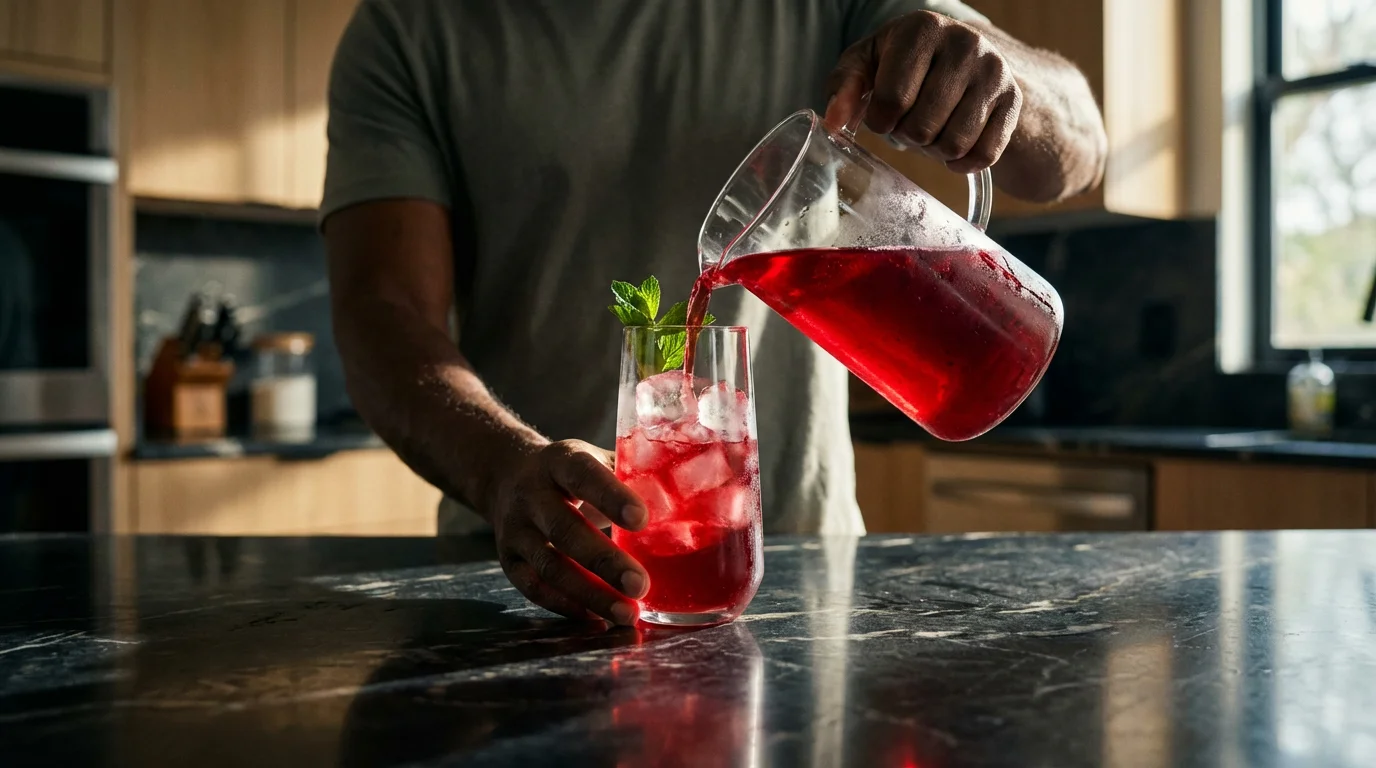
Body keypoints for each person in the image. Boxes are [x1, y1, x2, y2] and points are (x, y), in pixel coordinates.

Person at [321, 0, 1107, 626]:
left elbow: (1080, 147)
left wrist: (999, 83)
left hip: (802, 572)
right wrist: (502, 472)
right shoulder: (407, 26)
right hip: (513, 580)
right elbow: (380, 310)